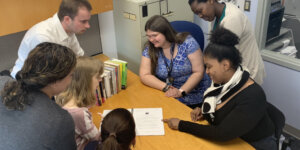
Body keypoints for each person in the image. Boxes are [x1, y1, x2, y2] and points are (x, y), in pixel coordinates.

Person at [163, 27, 276, 150]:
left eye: (209, 67)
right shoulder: (226, 82)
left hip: (253, 145)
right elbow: (222, 105)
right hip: (234, 139)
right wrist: (204, 111)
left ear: (226, 65)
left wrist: (181, 125)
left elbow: (221, 133)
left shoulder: (252, 95)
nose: (207, 72)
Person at [0, 42, 77, 150]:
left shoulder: (2, 82)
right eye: (71, 75)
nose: (71, 80)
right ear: (55, 80)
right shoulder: (60, 120)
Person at [139, 15, 211, 108]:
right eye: (148, 36)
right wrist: (167, 87)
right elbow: (144, 75)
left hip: (194, 92)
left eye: (154, 35)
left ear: (166, 33)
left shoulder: (187, 43)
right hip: (168, 93)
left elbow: (198, 71)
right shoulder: (150, 48)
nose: (151, 40)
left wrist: (181, 92)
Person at [188, 0, 265, 85]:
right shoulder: (216, 16)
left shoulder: (232, 18)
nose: (200, 16)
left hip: (247, 71)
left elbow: (222, 55)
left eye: (200, 11)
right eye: (197, 14)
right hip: (231, 70)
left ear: (210, 1)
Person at [11, 0, 92, 78]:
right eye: (83, 21)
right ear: (67, 19)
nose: (88, 26)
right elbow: (51, 77)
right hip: (27, 82)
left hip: (53, 77)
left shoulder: (69, 29)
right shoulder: (43, 37)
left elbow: (79, 57)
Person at [56, 56, 103, 150]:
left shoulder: (63, 99)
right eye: (97, 77)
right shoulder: (79, 114)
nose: (100, 80)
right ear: (86, 82)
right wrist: (104, 123)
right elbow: (97, 137)